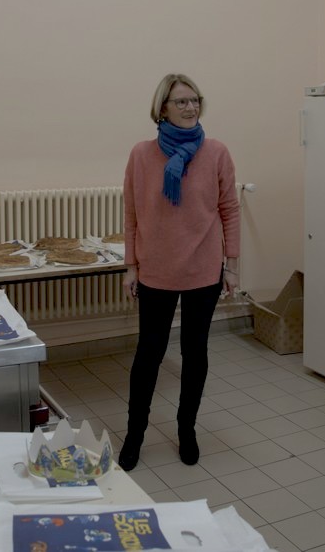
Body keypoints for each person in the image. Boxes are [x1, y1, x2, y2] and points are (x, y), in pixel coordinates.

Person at [117, 73, 240, 472]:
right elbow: (132, 214)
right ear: (162, 109)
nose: (191, 107)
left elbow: (229, 210)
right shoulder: (141, 154)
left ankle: (187, 429)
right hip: (156, 271)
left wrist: (232, 266)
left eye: (195, 100)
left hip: (204, 270)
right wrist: (131, 266)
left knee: (195, 353)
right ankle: (134, 434)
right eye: (181, 101)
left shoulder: (216, 152)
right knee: (148, 355)